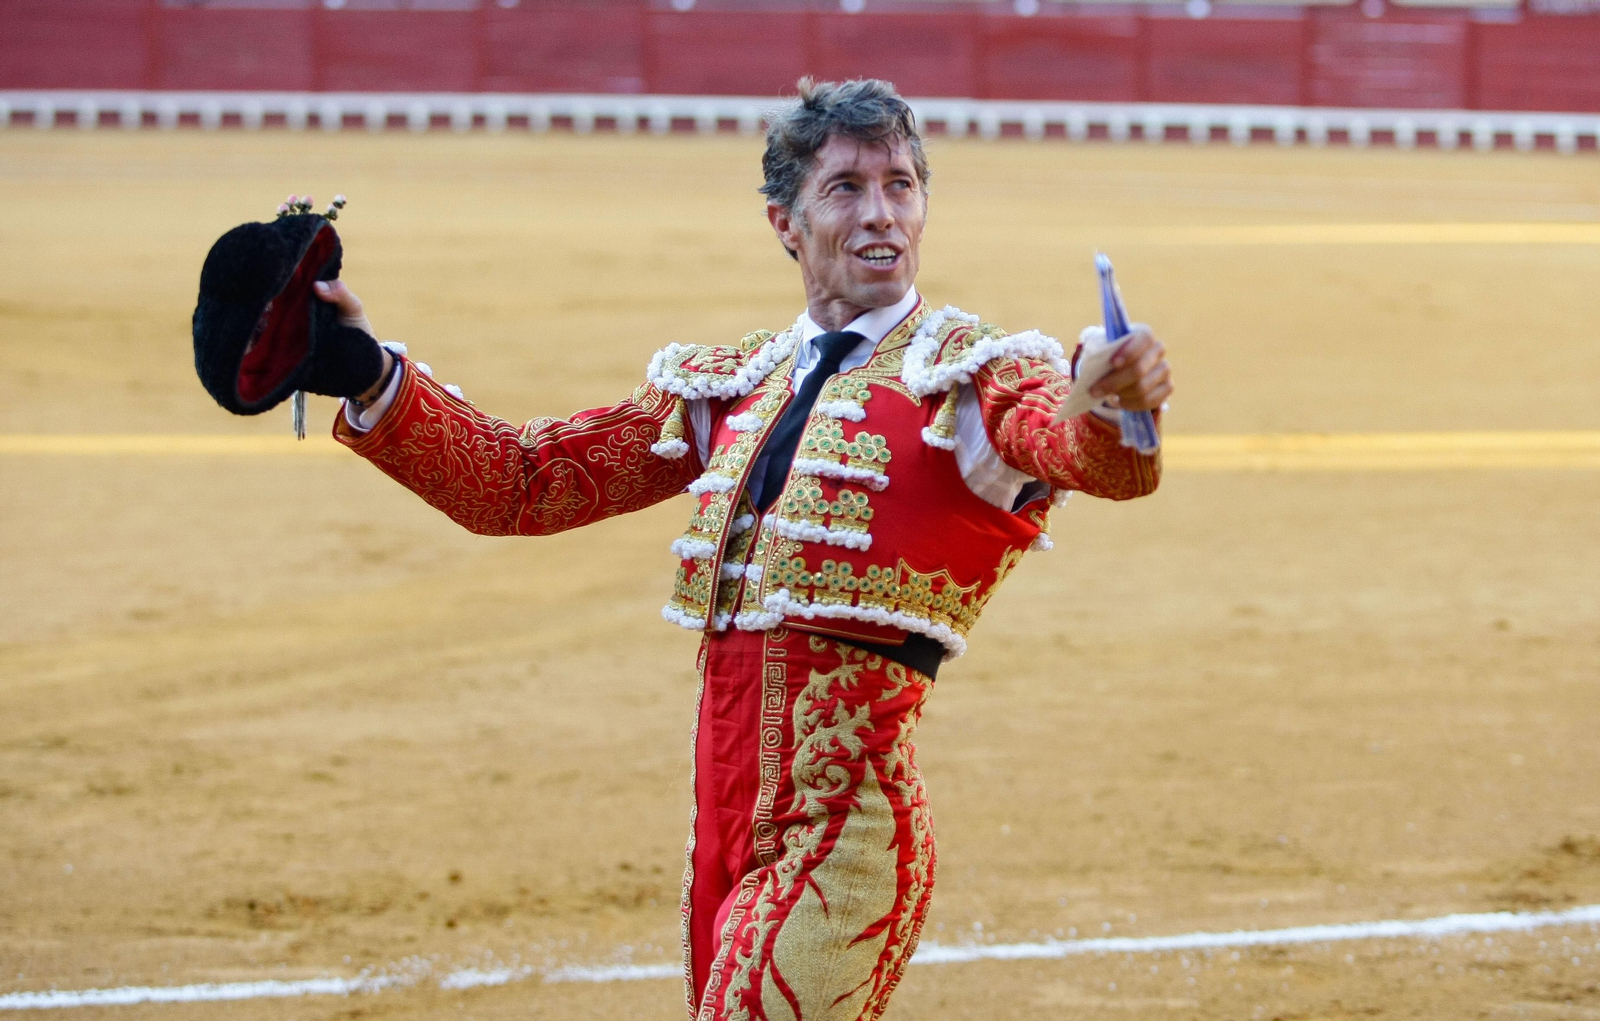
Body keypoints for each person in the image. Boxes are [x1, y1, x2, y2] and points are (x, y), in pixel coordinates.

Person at [311, 78, 1171, 1021]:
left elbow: (1081, 455)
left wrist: (1110, 400)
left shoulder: (971, 375)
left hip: (847, 832)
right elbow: (524, 483)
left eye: (901, 184)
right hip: (719, 830)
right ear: (786, 222)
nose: (881, 213)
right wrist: (364, 370)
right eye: (846, 187)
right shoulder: (735, 384)